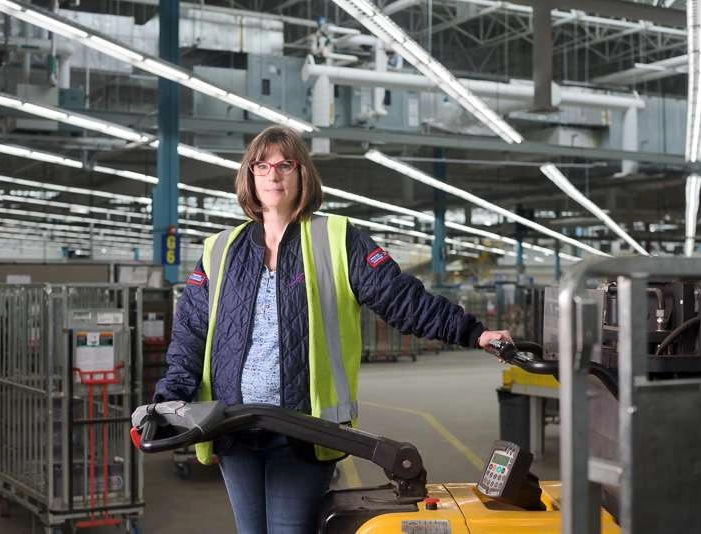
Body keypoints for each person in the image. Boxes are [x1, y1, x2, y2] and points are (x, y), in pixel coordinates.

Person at [145, 126, 512, 534]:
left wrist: (471, 332)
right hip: (233, 428)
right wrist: (168, 402)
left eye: (285, 164)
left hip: (301, 430)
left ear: (303, 174)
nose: (273, 174)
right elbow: (190, 335)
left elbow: (400, 298)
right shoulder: (220, 249)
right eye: (261, 165)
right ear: (249, 176)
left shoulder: (337, 238)